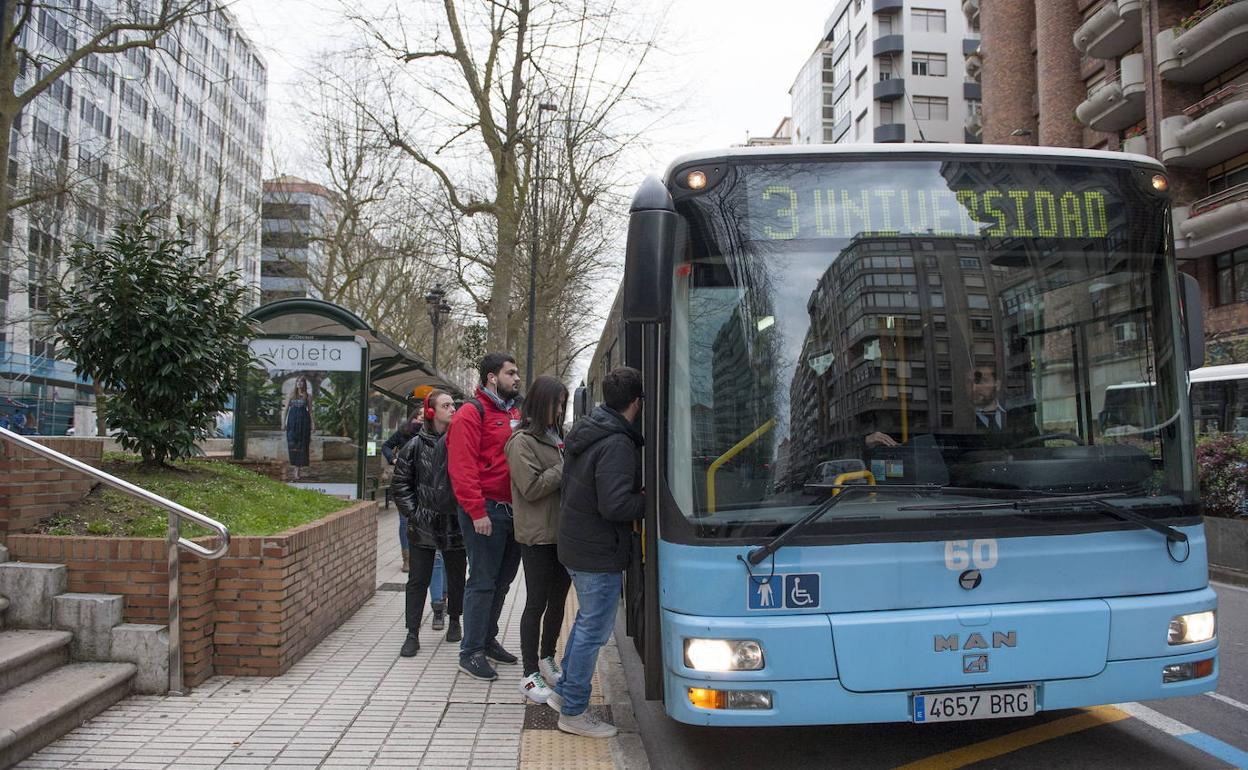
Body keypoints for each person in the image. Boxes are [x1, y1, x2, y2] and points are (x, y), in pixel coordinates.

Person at [546, 366, 644, 739]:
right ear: (636, 403)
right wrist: (647, 503)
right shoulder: (617, 442)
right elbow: (616, 506)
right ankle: (573, 711)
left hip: (578, 544)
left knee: (586, 623)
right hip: (597, 550)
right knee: (593, 630)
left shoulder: (590, 429)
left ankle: (564, 694)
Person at [449, 352, 523, 681]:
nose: (517, 378)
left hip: (514, 512)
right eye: (511, 373)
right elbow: (462, 468)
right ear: (492, 377)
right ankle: (471, 651)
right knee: (481, 582)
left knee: (503, 582)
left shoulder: (516, 412)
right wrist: (477, 511)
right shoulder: (471, 413)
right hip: (486, 511)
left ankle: (487, 639)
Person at [505, 375, 571, 704]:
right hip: (537, 536)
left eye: (563, 404)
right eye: (557, 403)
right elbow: (530, 488)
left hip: (562, 533)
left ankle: (547, 657)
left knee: (559, 601)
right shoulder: (521, 442)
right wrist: (566, 466)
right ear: (541, 402)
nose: (560, 410)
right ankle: (529, 673)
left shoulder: (557, 436)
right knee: (536, 603)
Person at [392, 390, 466, 656]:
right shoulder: (414, 446)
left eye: (453, 405)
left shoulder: (462, 442)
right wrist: (414, 514)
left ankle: (455, 619)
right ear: (431, 411)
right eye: (446, 405)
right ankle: (412, 633)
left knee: (457, 576)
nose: (452, 409)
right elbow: (400, 484)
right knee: (417, 580)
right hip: (423, 524)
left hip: (455, 522)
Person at [384, 409, 425, 573]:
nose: (422, 417)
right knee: (404, 522)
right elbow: (386, 445)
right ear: (414, 416)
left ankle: (419, 556)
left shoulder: (432, 431)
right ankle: (407, 559)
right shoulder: (404, 431)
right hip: (406, 483)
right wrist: (393, 459)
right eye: (419, 414)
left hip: (424, 484)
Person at [284, 376, 313, 480]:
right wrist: (283, 422)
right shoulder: (291, 395)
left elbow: (310, 411)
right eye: (298, 382)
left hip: (304, 422)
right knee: (292, 443)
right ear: (296, 384)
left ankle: (297, 470)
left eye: (301, 382)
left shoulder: (308, 396)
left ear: (304, 384)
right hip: (292, 422)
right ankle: (294, 466)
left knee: (303, 445)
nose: (299, 384)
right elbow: (286, 409)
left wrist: (313, 424)